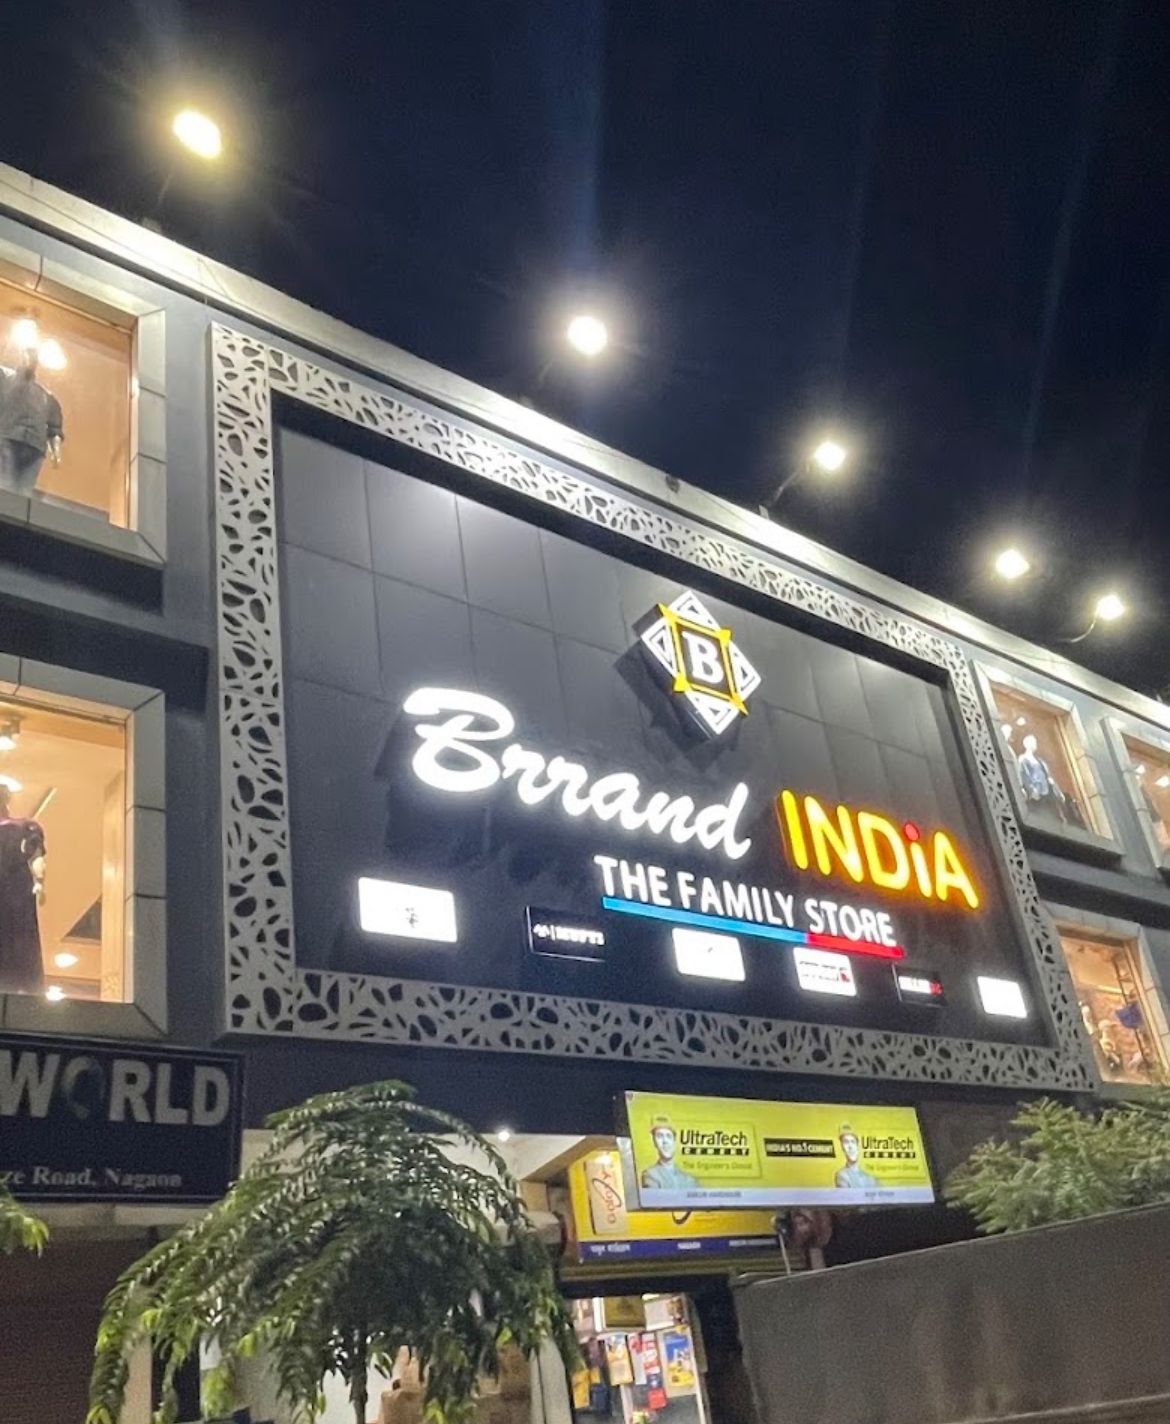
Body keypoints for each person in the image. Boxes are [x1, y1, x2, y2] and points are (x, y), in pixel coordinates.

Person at [640, 1116, 698, 1190]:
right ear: (654, 1142)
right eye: (660, 1136)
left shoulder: (689, 1179)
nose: (665, 1141)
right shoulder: (650, 1174)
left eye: (669, 1136)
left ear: (674, 1141)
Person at [834, 1124, 878, 1189]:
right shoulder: (841, 1175)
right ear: (842, 1148)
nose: (850, 1146)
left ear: (857, 1147)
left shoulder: (869, 1177)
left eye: (853, 1142)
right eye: (846, 1142)